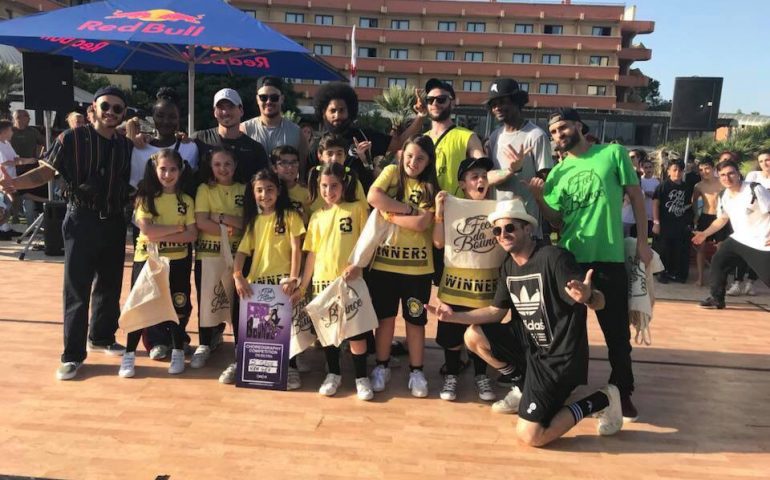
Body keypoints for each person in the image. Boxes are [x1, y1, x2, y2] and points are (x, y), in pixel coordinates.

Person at [428, 198, 622, 447]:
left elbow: (599, 301)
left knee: (531, 435)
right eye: (497, 230)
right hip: (529, 348)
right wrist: (453, 317)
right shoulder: (508, 266)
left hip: (559, 359)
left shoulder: (554, 257)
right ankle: (523, 387)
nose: (503, 234)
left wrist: (589, 297)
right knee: (473, 336)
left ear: (528, 229)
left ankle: (602, 400)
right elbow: (495, 312)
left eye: (510, 228)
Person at [0, 86, 133, 380]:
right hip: (81, 218)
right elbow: (45, 171)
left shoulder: (125, 145)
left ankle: (101, 337)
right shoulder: (72, 138)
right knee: (77, 287)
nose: (111, 113)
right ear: (93, 109)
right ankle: (72, 354)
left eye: (117, 109)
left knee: (110, 284)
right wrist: (16, 184)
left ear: (124, 114)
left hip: (113, 220)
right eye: (106, 106)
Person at [528, 108, 652, 421]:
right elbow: (557, 221)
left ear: (579, 126)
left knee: (616, 333)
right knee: (567, 332)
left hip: (608, 258)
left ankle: (622, 392)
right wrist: (539, 198)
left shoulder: (612, 154)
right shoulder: (557, 173)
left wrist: (642, 242)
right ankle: (563, 385)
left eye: (563, 127)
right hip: (570, 260)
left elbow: (636, 197)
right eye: (553, 132)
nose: (558, 135)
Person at [366, 135, 439, 398]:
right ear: (401, 155)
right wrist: (408, 210)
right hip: (384, 265)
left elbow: (422, 224)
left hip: (417, 269)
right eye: (409, 156)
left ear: (428, 161)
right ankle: (381, 366)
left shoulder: (430, 187)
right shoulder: (390, 172)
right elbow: (373, 196)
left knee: (415, 320)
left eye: (420, 158)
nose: (413, 162)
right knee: (384, 318)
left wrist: (389, 214)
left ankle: (416, 371)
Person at [119, 149, 198, 377]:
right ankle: (129, 355)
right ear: (155, 170)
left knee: (177, 306)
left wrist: (164, 232)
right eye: (163, 169)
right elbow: (148, 231)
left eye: (173, 169)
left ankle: (177, 351)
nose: (167, 174)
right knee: (140, 305)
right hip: (148, 260)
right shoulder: (146, 198)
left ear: (180, 171)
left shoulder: (186, 201)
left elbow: (192, 234)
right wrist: (177, 228)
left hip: (178, 261)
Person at [300, 162, 372, 399]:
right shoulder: (316, 216)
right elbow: (311, 254)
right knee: (328, 333)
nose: (328, 191)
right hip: (323, 283)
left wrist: (358, 266)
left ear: (344, 185)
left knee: (356, 333)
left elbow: (368, 243)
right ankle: (333, 374)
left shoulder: (357, 209)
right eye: (324, 186)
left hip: (350, 282)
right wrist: (303, 285)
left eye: (334, 186)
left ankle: (361, 377)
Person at [432, 157, 498, 402]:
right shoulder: (451, 207)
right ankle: (452, 374)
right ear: (462, 184)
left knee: (481, 333)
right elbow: (438, 243)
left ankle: (481, 375)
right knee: (451, 334)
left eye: (484, 176)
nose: (480, 180)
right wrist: (439, 212)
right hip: (454, 286)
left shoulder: (497, 208)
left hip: (485, 287)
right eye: (474, 177)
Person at [232, 169, 305, 385]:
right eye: (260, 190)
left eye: (270, 189)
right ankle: (244, 364)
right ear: (253, 193)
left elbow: (297, 249)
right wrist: (238, 275)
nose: (265, 195)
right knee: (259, 329)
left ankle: (290, 368)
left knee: (286, 328)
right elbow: (242, 252)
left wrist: (294, 278)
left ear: (279, 191)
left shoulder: (290, 216)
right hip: (257, 284)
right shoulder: (254, 221)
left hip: (282, 284)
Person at [310, 82, 424, 191]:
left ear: (349, 111)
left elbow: (399, 142)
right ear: (324, 113)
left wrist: (420, 115)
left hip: (362, 202)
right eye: (333, 110)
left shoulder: (364, 136)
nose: (337, 115)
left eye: (341, 110)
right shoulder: (318, 144)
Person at [191, 147, 244, 370]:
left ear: (236, 165)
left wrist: (220, 217)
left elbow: (246, 223)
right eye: (217, 164)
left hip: (237, 256)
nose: (223, 169)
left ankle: (240, 346)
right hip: (208, 255)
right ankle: (204, 343)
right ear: (211, 167)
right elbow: (201, 221)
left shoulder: (244, 189)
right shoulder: (205, 189)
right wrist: (231, 229)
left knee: (237, 302)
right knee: (207, 301)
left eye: (227, 164)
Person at [693, 159, 770, 309]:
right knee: (718, 261)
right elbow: (722, 219)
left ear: (738, 173)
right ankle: (717, 298)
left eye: (731, 173)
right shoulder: (724, 195)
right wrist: (704, 233)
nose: (727, 178)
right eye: (722, 175)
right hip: (739, 238)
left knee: (767, 277)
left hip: (761, 242)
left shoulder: (755, 189)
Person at [485, 78, 553, 237]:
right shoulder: (495, 137)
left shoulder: (536, 136)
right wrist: (512, 170)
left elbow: (546, 181)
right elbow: (487, 177)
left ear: (517, 101)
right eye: (493, 104)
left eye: (502, 102)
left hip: (526, 227)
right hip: (498, 225)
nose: (497, 108)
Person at [414, 78, 485, 197]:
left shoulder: (468, 137)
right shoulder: (422, 139)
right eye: (430, 100)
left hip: (455, 205)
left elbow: (483, 170)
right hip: (425, 205)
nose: (435, 103)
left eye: (441, 99)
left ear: (452, 103)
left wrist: (510, 170)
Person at [192, 88, 269, 185]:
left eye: (231, 107)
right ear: (215, 112)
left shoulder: (255, 149)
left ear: (241, 110)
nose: (225, 112)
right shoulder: (199, 140)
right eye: (220, 108)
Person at [127, 88, 199, 191]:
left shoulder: (189, 148)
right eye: (160, 116)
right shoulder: (138, 148)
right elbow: (134, 187)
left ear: (179, 118)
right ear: (153, 116)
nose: (165, 121)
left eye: (172, 117)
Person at [241, 77, 309, 177]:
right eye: (263, 97)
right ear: (257, 99)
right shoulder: (245, 129)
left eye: (274, 97)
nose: (269, 102)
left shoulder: (296, 132)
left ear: (282, 99)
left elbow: (302, 172)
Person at [652, 160, 694, 284]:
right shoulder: (663, 186)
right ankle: (661, 272)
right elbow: (655, 204)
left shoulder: (686, 187)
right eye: (674, 170)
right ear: (669, 171)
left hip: (680, 223)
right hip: (665, 223)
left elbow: (688, 205)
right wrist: (656, 223)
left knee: (678, 249)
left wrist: (689, 221)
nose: (677, 172)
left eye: (680, 170)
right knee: (663, 248)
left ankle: (675, 273)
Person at [307, 133, 368, 215]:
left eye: (339, 154)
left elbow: (365, 213)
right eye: (329, 154)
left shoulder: (352, 182)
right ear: (320, 155)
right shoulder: (312, 181)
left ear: (345, 156)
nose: (335, 158)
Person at [0, 120, 38, 239]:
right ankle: (3, 230)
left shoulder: (7, 143)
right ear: (4, 131)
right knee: (4, 206)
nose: (12, 132)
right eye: (10, 130)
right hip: (3, 180)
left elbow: (15, 159)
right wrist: (26, 161)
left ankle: (5, 228)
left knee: (8, 204)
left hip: (11, 179)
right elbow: (4, 163)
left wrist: (28, 160)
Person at [692, 158, 725, 286]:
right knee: (700, 248)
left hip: (721, 217)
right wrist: (696, 215)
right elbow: (694, 201)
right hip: (705, 216)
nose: (704, 172)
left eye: (707, 168)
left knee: (720, 249)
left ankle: (719, 278)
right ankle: (700, 278)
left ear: (713, 169)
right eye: (701, 170)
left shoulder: (722, 182)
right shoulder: (698, 186)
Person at [10, 109, 46, 225]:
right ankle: (14, 215)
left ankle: (31, 217)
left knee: (27, 192)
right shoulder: (10, 131)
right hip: (13, 167)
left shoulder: (33, 131)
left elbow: (44, 143)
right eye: (26, 117)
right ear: (18, 118)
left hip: (30, 166)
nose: (29, 119)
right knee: (13, 193)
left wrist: (40, 157)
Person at [271, 145, 310, 223]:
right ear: (274, 168)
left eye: (294, 162)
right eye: (284, 163)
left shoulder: (307, 192)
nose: (290, 167)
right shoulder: (268, 191)